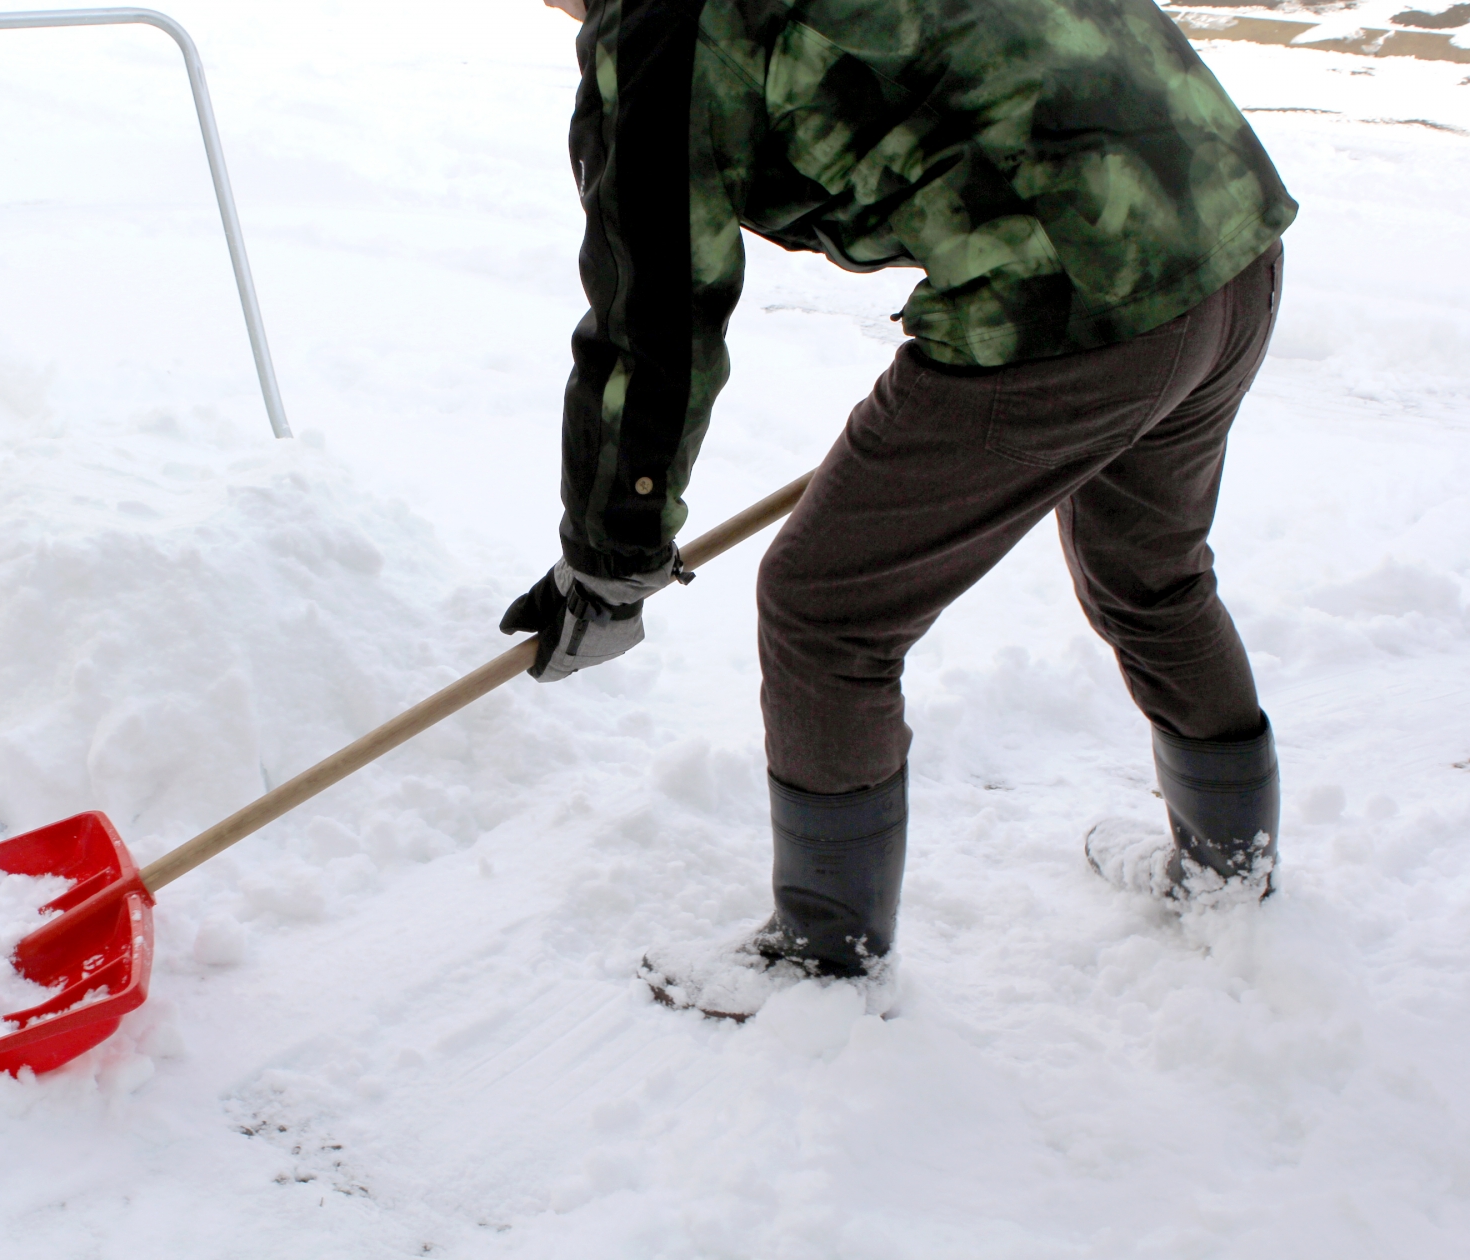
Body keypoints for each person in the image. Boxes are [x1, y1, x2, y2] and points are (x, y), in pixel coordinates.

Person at [503, 0, 1295, 985]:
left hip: (1071, 302)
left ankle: (824, 960)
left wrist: (610, 558)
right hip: (1226, 234)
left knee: (825, 609)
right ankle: (1226, 872)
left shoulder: (657, 27)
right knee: (1152, 575)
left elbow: (653, 316)